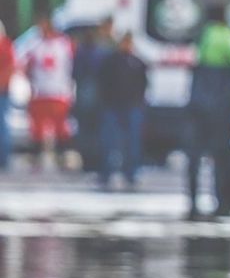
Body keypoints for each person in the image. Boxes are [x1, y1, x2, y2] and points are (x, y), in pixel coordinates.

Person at [187, 5, 230, 219]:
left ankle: (192, 200)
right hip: (220, 106)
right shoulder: (227, 36)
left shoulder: (202, 36)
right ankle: (222, 200)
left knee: (194, 156)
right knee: (221, 155)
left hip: (197, 104)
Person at [22, 11, 74, 169]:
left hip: (59, 92)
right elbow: (25, 64)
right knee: (37, 128)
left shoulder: (64, 44)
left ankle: (62, 157)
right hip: (40, 91)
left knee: (61, 127)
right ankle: (37, 157)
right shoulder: (35, 44)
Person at [97, 33, 148, 190]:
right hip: (113, 107)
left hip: (131, 107)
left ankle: (131, 173)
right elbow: (102, 83)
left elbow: (144, 84)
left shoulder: (137, 63)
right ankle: (106, 173)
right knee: (110, 143)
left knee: (132, 144)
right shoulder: (111, 62)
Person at [72, 19, 113, 176]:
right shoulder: (103, 52)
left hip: (86, 98)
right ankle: (96, 161)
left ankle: (88, 161)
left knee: (86, 132)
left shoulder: (82, 53)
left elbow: (74, 73)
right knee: (96, 133)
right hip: (97, 99)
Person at [0, 22, 14, 172]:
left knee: (2, 126)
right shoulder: (7, 46)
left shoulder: (4, 47)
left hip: (2, 91)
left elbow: (9, 68)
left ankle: (3, 158)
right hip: (3, 89)